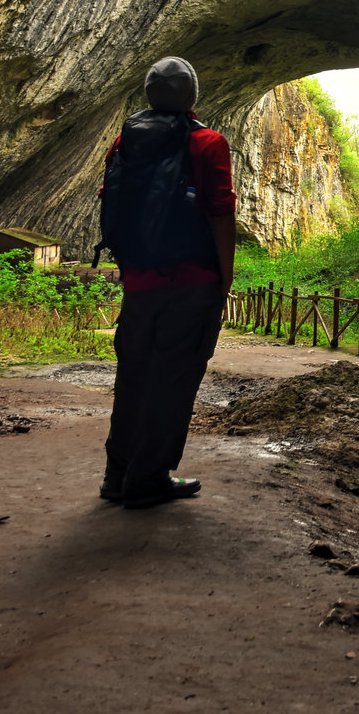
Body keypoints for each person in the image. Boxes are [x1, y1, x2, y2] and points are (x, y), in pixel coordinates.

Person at [96, 56, 237, 509]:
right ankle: (149, 478)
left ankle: (117, 476)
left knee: (133, 376)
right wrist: (224, 277)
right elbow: (220, 211)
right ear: (193, 97)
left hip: (139, 283)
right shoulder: (208, 143)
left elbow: (113, 207)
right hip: (191, 281)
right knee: (172, 380)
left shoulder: (123, 144)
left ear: (148, 95)